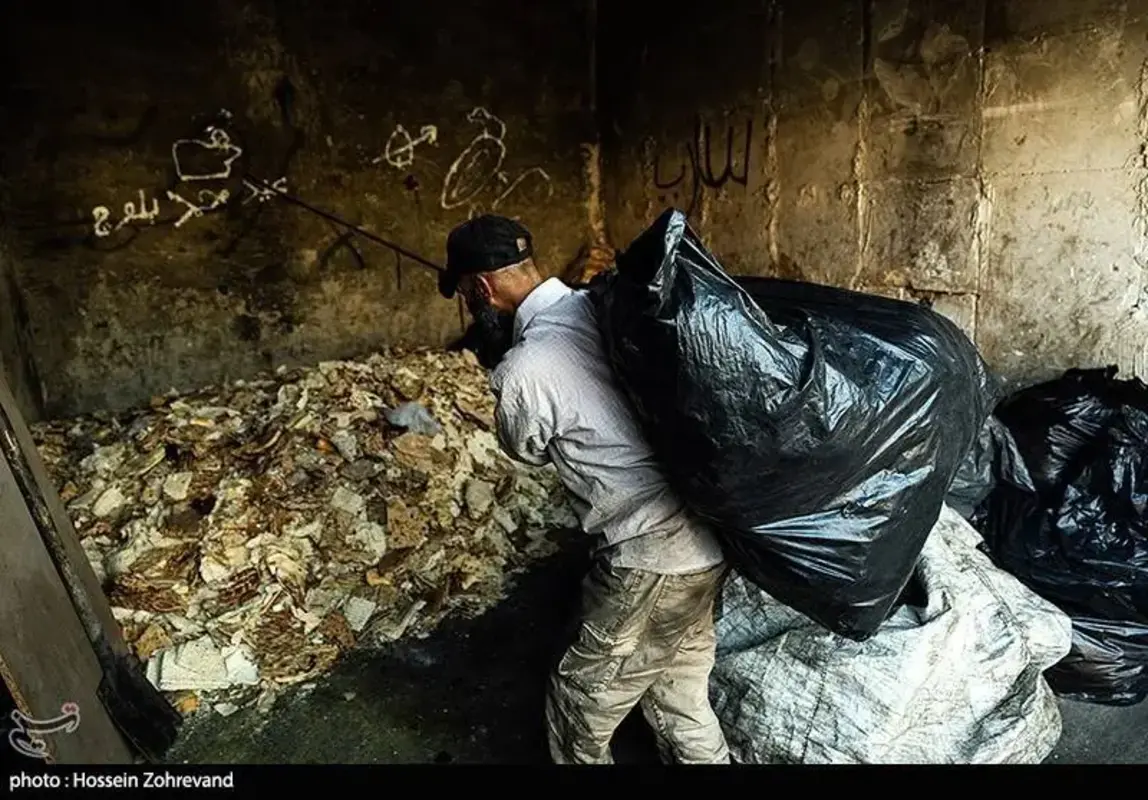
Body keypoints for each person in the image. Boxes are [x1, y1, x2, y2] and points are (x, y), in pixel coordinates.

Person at [438, 214, 731, 765]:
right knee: (680, 698)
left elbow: (525, 447)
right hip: (708, 543)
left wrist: (508, 370)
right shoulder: (599, 306)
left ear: (480, 288)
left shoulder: (526, 368)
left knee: (578, 706)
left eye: (466, 294)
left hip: (650, 559)